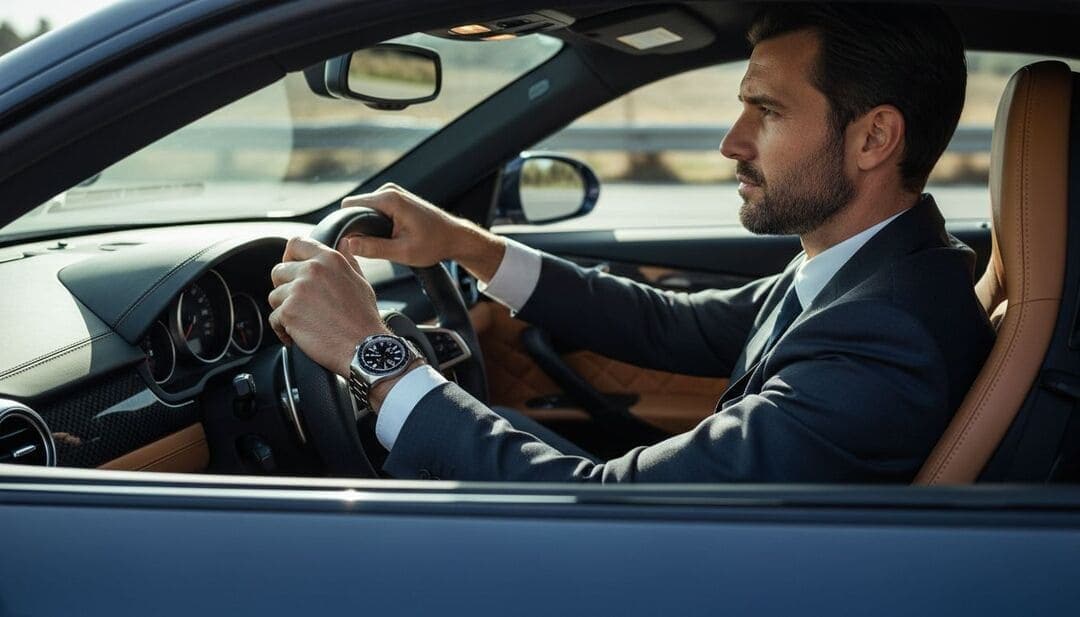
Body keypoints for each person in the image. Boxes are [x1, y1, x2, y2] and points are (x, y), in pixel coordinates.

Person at [267, 3, 995, 482]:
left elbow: (617, 506)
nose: (730, 143)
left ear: (873, 138)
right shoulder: (872, 270)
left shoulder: (888, 335)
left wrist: (375, 357)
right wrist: (467, 244)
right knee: (506, 426)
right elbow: (670, 322)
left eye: (766, 112)